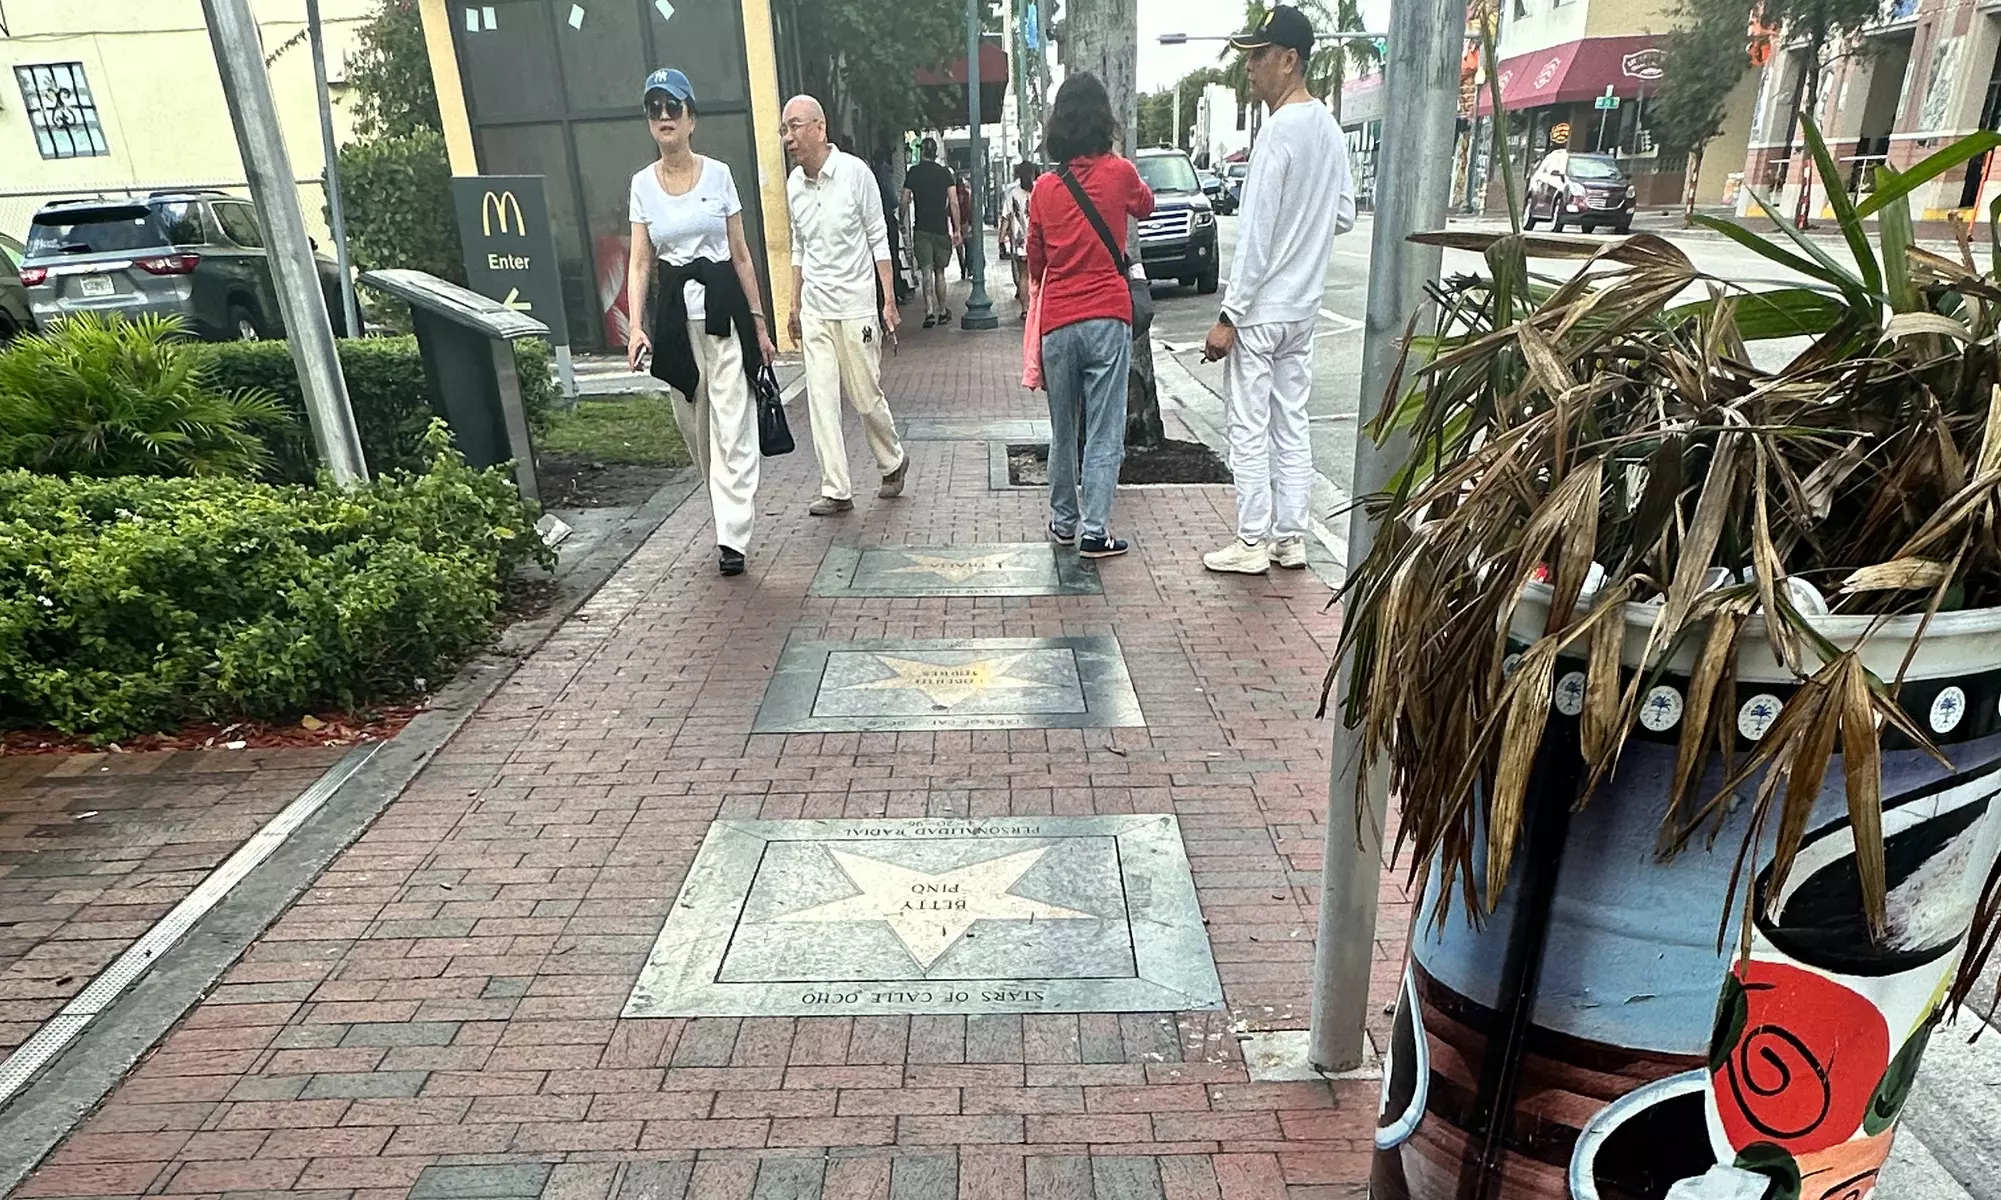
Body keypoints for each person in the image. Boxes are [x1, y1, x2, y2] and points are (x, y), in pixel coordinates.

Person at [1201, 5, 1355, 575]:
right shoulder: (1330, 130)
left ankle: (1250, 540)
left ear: (1289, 60)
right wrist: (1307, 226)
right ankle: (1289, 537)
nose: (1251, 69)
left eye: (1259, 57)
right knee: (1291, 420)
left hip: (1261, 308)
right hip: (1304, 307)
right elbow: (1343, 215)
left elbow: (1258, 237)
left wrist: (1228, 316)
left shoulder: (1276, 134)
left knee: (1248, 423)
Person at [623, 67, 778, 578]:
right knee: (696, 429)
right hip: (673, 319)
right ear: (649, 121)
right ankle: (722, 512)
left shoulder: (719, 174)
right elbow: (641, 260)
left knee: (732, 424)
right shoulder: (642, 184)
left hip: (722, 314)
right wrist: (638, 324)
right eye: (655, 109)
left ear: (692, 118)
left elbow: (740, 253)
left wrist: (758, 322)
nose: (664, 117)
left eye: (674, 107)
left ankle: (733, 536)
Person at [1027, 72, 1154, 559]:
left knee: (1064, 428)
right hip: (1106, 317)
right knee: (1103, 429)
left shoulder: (1043, 188)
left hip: (1058, 321)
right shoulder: (1119, 172)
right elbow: (1145, 204)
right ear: (1104, 119)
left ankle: (1063, 520)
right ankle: (1095, 530)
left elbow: (1035, 258)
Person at [780, 96, 910, 517]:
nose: (789, 138)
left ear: (820, 127)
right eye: (784, 129)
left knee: (865, 396)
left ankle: (892, 459)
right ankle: (836, 488)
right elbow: (799, 246)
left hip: (856, 307)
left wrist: (888, 300)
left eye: (795, 127)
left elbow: (879, 239)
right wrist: (795, 303)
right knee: (821, 400)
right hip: (816, 307)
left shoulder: (856, 174)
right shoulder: (794, 185)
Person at [902, 139, 958, 327]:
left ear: (922, 152)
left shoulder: (913, 173)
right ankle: (943, 310)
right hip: (940, 228)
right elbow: (954, 201)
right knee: (939, 272)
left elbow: (904, 200)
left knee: (926, 271)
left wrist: (902, 220)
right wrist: (957, 228)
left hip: (921, 229)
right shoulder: (944, 174)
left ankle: (929, 312)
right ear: (935, 153)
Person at [1000, 162, 1038, 319]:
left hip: (1020, 241)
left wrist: (1001, 237)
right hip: (1038, 239)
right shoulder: (1039, 189)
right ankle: (1036, 307)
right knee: (1037, 276)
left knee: (1023, 275)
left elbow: (1006, 217)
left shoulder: (1013, 193)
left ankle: (1024, 309)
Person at [953, 171, 975, 278]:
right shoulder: (967, 194)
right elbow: (971, 210)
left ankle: (963, 268)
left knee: (960, 248)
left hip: (958, 224)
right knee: (967, 246)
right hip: (964, 223)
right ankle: (966, 267)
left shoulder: (954, 195)